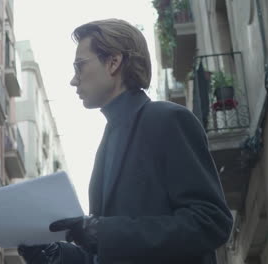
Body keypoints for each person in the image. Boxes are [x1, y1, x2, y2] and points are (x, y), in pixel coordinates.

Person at [18, 19, 233, 264]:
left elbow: (212, 221)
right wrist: (56, 255)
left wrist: (103, 232)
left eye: (79, 66)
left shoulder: (167, 119)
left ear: (113, 62)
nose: (74, 80)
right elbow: (108, 252)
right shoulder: (107, 140)